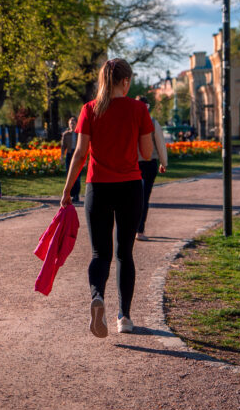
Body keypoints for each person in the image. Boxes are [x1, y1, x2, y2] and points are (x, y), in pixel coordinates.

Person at [61, 59, 154, 338]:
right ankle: (124, 317)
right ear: (126, 82)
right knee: (125, 253)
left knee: (100, 253)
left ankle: (97, 295)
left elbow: (79, 154)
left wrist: (67, 190)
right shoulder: (139, 109)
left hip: (97, 187)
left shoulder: (89, 109)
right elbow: (147, 154)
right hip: (129, 188)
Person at [134, 96, 167, 240]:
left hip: (135, 164)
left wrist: (163, 162)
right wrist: (163, 162)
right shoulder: (153, 122)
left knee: (136, 198)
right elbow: (160, 143)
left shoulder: (130, 121)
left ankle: (137, 229)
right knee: (143, 198)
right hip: (147, 163)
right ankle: (139, 230)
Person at [60, 117, 82, 203]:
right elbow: (63, 147)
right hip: (69, 155)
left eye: (73, 123)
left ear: (77, 124)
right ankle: (71, 194)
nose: (72, 125)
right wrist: (62, 156)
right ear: (69, 125)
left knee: (77, 176)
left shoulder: (79, 133)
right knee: (69, 175)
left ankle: (76, 195)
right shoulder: (66, 134)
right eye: (70, 123)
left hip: (77, 154)